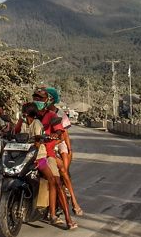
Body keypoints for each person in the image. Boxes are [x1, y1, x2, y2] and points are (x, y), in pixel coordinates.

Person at [34, 89, 78, 230]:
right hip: (27, 154)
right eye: (35, 98)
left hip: (44, 156)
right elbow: (16, 130)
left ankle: (66, 218)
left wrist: (54, 136)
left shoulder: (52, 115)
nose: (38, 101)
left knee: (56, 181)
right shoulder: (29, 114)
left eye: (40, 99)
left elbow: (60, 132)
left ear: (47, 100)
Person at [43, 87, 83, 217]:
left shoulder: (60, 114)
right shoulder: (41, 113)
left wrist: (68, 148)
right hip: (45, 142)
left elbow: (64, 134)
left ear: (52, 100)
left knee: (63, 170)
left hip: (58, 142)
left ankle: (74, 202)